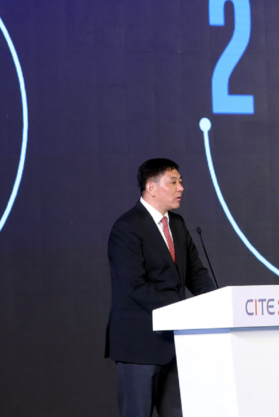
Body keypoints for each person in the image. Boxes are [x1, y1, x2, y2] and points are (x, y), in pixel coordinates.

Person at [105, 158, 217, 417]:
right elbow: (134, 286)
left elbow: (196, 274)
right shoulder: (127, 228)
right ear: (151, 188)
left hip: (176, 346)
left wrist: (216, 303)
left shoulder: (177, 224)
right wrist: (181, 312)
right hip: (139, 346)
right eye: (173, 182)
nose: (181, 188)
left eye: (181, 182)